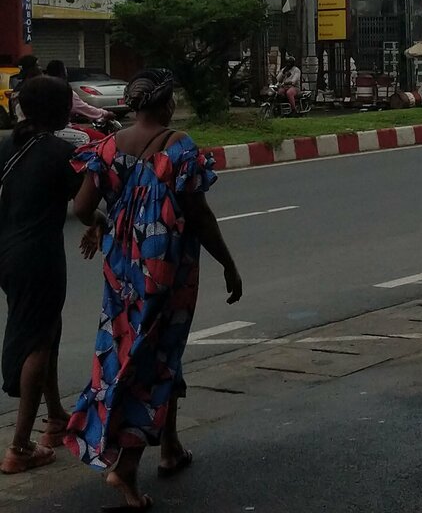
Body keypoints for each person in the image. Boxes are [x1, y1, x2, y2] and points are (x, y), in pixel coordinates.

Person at [66, 68, 243, 511]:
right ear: (166, 104)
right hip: (169, 273)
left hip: (120, 275)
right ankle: (125, 466)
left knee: (132, 352)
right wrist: (229, 264)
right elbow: (199, 216)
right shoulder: (179, 147)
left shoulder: (105, 147)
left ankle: (170, 447)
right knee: (155, 361)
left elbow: (83, 207)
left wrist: (107, 224)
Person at [0, 76, 89, 474]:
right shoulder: (59, 152)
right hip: (39, 254)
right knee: (38, 339)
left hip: (7, 253)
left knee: (47, 328)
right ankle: (19, 446)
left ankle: (55, 418)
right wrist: (101, 220)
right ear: (61, 110)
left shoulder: (7, 145)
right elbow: (84, 206)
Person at [44, 61, 109, 123]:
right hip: (61, 128)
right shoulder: (64, 91)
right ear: (63, 73)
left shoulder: (42, 88)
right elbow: (85, 109)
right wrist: (105, 113)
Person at [9, 56, 41, 123]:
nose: (40, 68)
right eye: (37, 65)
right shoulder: (24, 89)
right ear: (31, 69)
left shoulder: (19, 88)